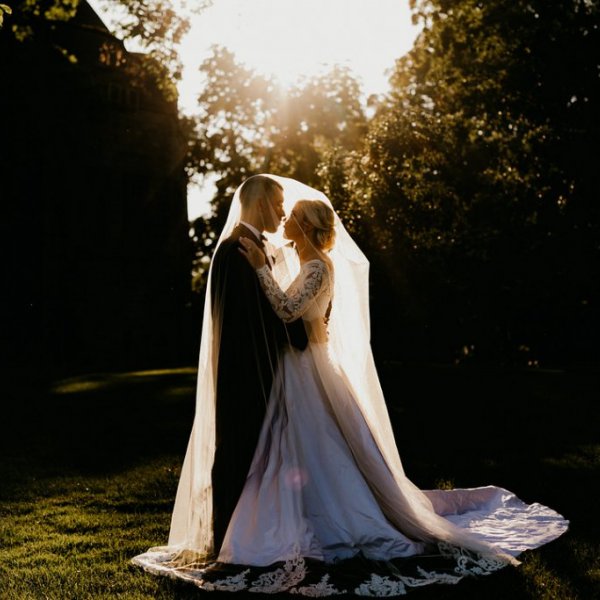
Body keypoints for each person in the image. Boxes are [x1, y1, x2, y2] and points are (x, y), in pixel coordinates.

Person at [132, 176, 568, 596]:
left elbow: (285, 311)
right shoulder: (287, 260)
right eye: (280, 210)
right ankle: (263, 521)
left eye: (290, 217)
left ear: (306, 227)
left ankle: (325, 520)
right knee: (292, 446)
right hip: (292, 370)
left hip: (305, 370)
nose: (283, 219)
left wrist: (262, 268)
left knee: (315, 447)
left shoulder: (316, 268)